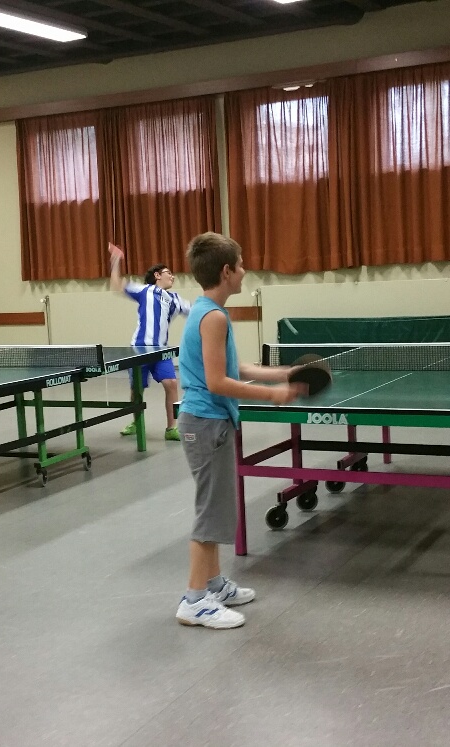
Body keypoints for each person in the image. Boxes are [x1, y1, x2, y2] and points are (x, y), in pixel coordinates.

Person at [174, 232, 302, 630]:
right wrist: (272, 395)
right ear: (227, 271)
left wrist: (283, 373)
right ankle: (194, 601)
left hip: (209, 422)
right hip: (206, 422)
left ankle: (214, 585)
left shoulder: (208, 311)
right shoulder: (212, 317)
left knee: (218, 507)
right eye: (241, 264)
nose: (246, 271)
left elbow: (234, 367)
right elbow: (217, 382)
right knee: (210, 512)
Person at [108, 242, 191, 441]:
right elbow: (116, 285)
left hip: (161, 351)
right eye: (168, 273)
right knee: (137, 389)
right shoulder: (144, 290)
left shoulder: (175, 299)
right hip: (139, 349)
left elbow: (195, 311)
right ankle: (136, 422)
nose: (173, 276)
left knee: (171, 383)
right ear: (157, 275)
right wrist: (115, 259)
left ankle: (171, 428)